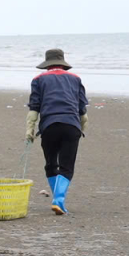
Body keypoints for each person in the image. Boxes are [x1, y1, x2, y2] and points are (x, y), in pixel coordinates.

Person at [25, 48, 88, 215]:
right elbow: (83, 112)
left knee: (51, 164)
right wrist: (81, 130)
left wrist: (29, 131)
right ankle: (58, 200)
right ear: (63, 64)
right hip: (71, 126)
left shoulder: (38, 80)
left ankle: (58, 200)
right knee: (66, 166)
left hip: (49, 127)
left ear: (47, 65)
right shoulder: (75, 79)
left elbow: (34, 109)